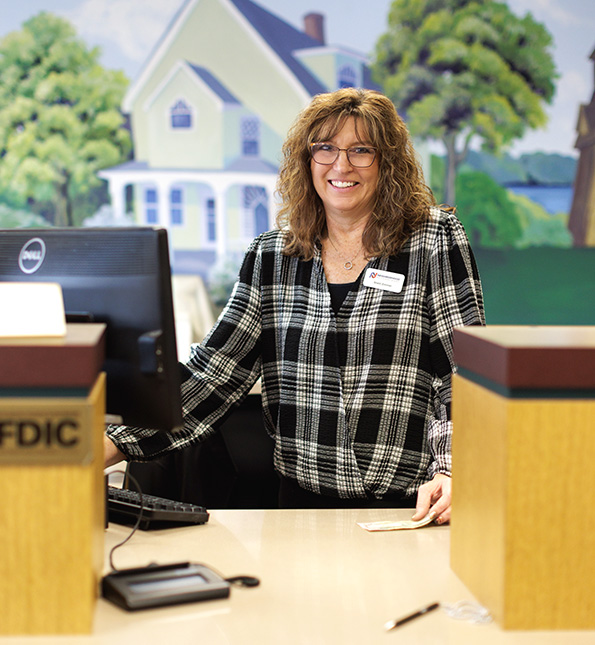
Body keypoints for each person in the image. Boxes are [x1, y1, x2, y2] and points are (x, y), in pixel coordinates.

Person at [104, 87, 485, 522]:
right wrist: (112, 443)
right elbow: (215, 373)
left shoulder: (433, 239)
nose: (341, 165)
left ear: (388, 162)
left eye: (361, 150)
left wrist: (454, 468)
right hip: (299, 508)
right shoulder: (272, 256)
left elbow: (463, 372)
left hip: (409, 507)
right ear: (307, 160)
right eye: (325, 148)